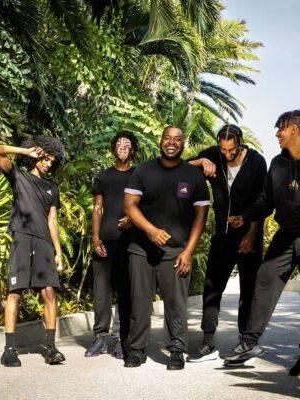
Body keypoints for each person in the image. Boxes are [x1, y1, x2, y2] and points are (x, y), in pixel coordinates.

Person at [222, 110, 300, 376]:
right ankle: (249, 342)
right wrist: (245, 216)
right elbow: (265, 201)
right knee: (264, 278)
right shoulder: (278, 164)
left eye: (281, 128)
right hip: (286, 234)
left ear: (295, 130)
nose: (277, 133)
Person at [123, 126, 210, 370]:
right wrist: (150, 230)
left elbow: (201, 216)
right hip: (141, 248)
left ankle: (177, 350)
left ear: (183, 143)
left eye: (177, 139)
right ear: (161, 141)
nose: (172, 142)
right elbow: (130, 205)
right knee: (139, 302)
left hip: (176, 251)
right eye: (167, 138)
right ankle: (136, 350)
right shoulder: (143, 170)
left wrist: (188, 251)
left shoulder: (193, 175)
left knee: (176, 304)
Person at [186, 125, 268, 362]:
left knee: (248, 290)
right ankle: (207, 343)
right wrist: (201, 161)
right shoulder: (213, 155)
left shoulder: (256, 162)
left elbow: (263, 200)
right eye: (223, 149)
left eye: (231, 150)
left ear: (240, 143)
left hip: (249, 234)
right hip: (222, 235)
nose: (226, 154)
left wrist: (251, 233)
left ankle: (247, 341)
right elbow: (181, 168)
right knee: (212, 287)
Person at [0, 135, 67, 367]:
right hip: (22, 238)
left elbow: (52, 221)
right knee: (15, 292)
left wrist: (58, 251)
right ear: (37, 155)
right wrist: (26, 151)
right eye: (45, 158)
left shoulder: (52, 188)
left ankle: (51, 348)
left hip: (44, 243)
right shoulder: (18, 176)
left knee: (49, 293)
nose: (48, 164)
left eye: (52, 161)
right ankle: (9, 351)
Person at [86, 131, 138, 360]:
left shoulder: (138, 175)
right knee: (102, 292)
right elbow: (97, 208)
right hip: (104, 241)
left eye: (127, 144)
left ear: (133, 149)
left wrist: (133, 218)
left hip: (129, 243)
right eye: (119, 144)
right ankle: (100, 337)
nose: (123, 147)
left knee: (125, 292)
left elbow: (145, 205)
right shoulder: (104, 176)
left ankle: (119, 338)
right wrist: (95, 237)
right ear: (113, 149)